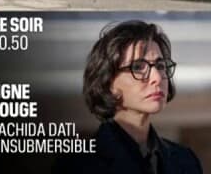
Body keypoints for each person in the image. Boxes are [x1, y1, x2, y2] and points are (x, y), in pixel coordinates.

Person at [65, 20, 203, 174]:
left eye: (160, 66)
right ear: (108, 82)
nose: (157, 77)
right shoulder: (79, 165)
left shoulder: (185, 160)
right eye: (138, 67)